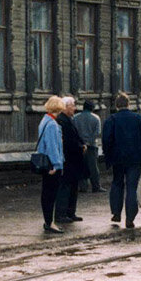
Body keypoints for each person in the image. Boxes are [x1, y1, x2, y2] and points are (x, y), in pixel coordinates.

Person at [102, 92, 141, 229]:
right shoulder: (138, 119)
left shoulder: (111, 120)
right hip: (134, 159)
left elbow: (106, 140)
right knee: (132, 187)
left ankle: (116, 213)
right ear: (128, 104)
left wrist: (108, 156)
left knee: (117, 184)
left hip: (117, 159)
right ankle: (130, 218)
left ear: (116, 105)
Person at [55, 95, 87, 224]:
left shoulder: (69, 119)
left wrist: (82, 144)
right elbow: (68, 141)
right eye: (73, 105)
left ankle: (70, 212)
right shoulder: (62, 120)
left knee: (73, 186)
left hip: (73, 159)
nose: (75, 108)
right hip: (68, 159)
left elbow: (76, 136)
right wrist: (80, 147)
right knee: (65, 187)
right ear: (66, 107)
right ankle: (61, 214)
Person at [36, 95, 65, 233]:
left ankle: (48, 221)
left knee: (46, 193)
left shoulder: (44, 121)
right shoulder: (52, 124)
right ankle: (49, 222)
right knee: (51, 194)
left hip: (44, 163)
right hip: (51, 164)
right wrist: (57, 164)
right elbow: (52, 146)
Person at [73, 100, 103, 193]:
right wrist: (89, 141)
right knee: (93, 167)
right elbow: (97, 132)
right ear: (92, 108)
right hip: (92, 145)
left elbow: (73, 131)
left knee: (81, 165)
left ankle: (83, 187)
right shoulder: (96, 118)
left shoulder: (75, 118)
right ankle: (96, 186)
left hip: (79, 145)